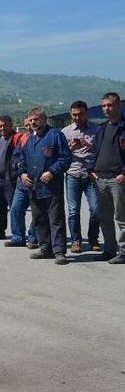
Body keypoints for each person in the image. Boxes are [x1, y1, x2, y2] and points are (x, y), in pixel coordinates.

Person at [17, 108, 70, 265]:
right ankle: (45, 248)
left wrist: (52, 171)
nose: (33, 122)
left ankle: (59, 251)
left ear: (45, 119)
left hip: (51, 186)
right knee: (39, 219)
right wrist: (23, 174)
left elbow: (65, 158)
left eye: (37, 119)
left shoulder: (55, 135)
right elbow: (22, 159)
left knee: (56, 220)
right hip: (33, 186)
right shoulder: (30, 140)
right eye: (31, 120)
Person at [87, 92, 125, 263]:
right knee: (105, 217)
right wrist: (91, 171)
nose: (106, 109)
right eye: (103, 106)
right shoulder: (101, 128)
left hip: (118, 180)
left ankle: (124, 252)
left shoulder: (123, 127)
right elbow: (94, 152)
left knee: (121, 217)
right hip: (99, 179)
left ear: (118, 105)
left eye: (110, 105)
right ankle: (109, 249)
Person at [61, 101, 100, 253]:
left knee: (96, 209)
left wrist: (89, 145)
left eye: (80, 114)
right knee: (73, 210)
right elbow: (62, 155)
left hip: (91, 174)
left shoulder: (97, 130)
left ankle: (93, 237)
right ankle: (76, 240)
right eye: (74, 115)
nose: (77, 117)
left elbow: (102, 151)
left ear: (86, 113)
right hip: (73, 173)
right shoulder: (65, 132)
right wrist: (71, 147)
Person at [5, 116, 39, 248]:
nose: (29, 126)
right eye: (26, 124)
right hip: (22, 182)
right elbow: (15, 156)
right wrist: (21, 170)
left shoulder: (45, 137)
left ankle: (33, 237)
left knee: (37, 212)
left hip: (38, 182)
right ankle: (18, 237)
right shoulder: (23, 138)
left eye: (31, 123)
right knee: (15, 209)